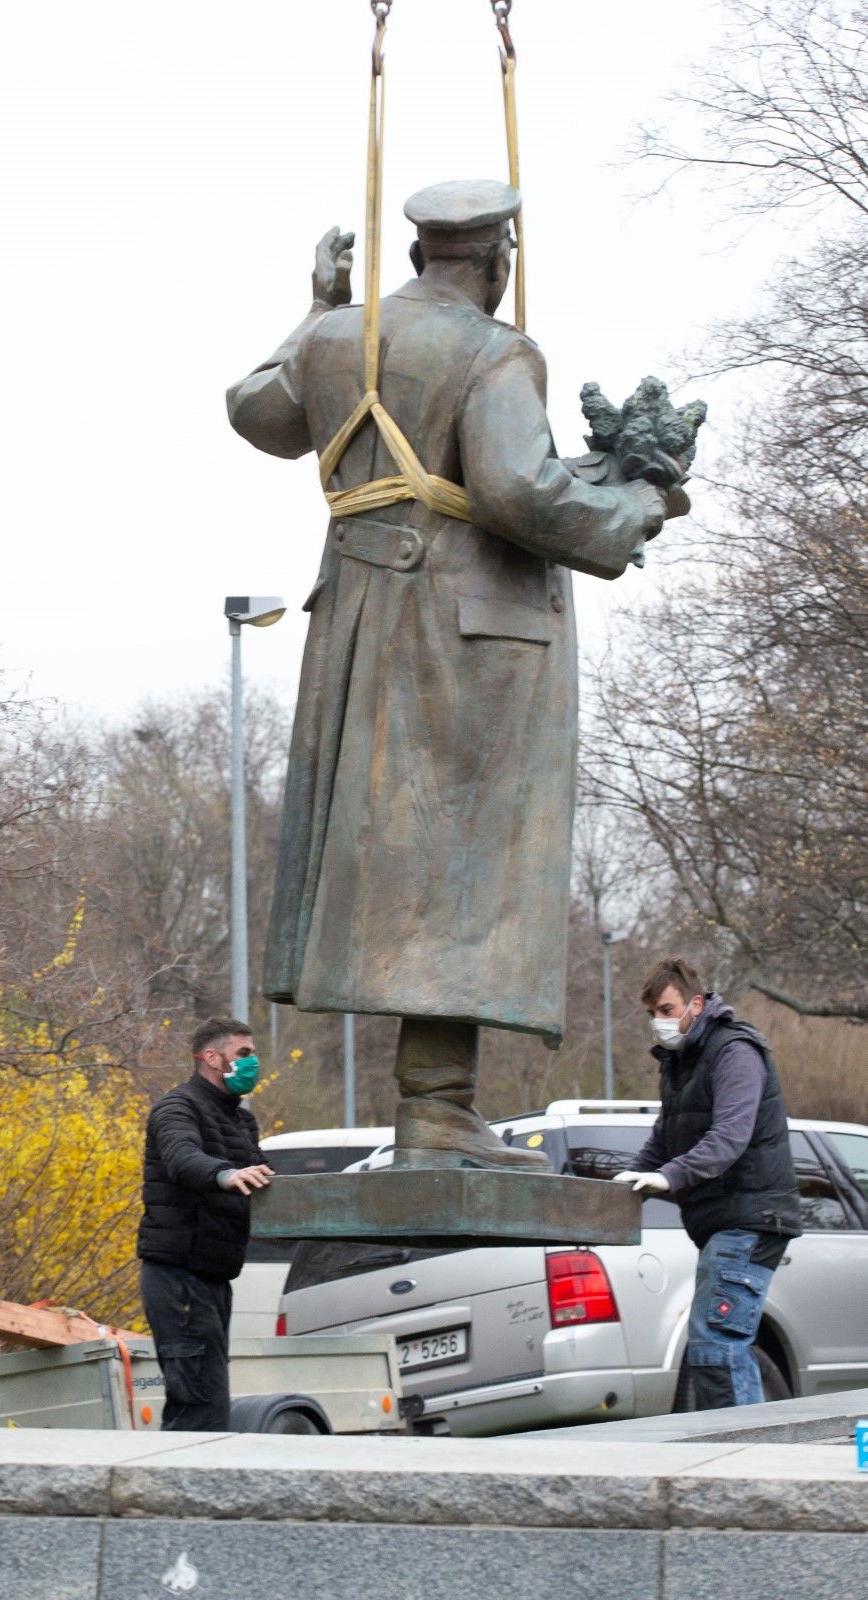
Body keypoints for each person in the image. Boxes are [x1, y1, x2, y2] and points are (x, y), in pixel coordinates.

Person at [227, 179, 685, 1171]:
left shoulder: (342, 334)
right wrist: (639, 501)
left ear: (419, 254)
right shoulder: (497, 350)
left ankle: (436, 1108)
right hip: (462, 646)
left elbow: (257, 409)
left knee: (403, 874)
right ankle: (435, 1111)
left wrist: (317, 310)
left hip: (359, 625)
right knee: (454, 875)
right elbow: (520, 490)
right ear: (496, 257)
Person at [614, 956, 802, 1408]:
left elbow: (728, 1139)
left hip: (751, 1216)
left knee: (716, 1344)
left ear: (696, 1004)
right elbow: (664, 1138)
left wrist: (668, 1177)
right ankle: (741, 1453)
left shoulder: (734, 1051)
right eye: (652, 1014)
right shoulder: (680, 1063)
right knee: (713, 1347)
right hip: (723, 1220)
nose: (658, 1022)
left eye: (666, 1009)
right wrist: (622, 1186)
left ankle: (744, 1462)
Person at [137, 1018, 274, 1431]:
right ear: (212, 1058)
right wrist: (225, 1174)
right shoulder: (178, 1107)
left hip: (213, 1277)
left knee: (209, 1405)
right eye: (244, 1054)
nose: (253, 1063)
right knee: (196, 1408)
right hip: (178, 1278)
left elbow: (266, 1180)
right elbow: (182, 1158)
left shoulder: (239, 1120)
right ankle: (172, 1492)